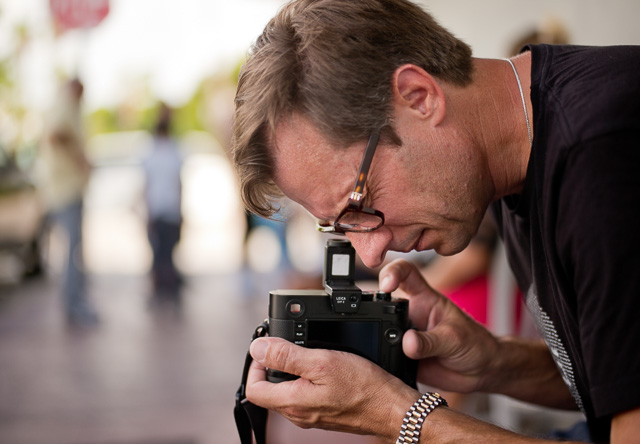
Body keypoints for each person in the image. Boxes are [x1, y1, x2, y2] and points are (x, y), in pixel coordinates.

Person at [230, 0, 640, 442]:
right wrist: (493, 362)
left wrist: (403, 418)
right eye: (341, 226)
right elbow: (612, 388)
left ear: (419, 97)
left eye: (359, 202)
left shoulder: (605, 155)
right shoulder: (512, 156)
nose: (371, 251)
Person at [36, 77, 98, 326]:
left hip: (65, 189)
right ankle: (74, 306)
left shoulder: (62, 105)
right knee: (72, 253)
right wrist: (79, 158)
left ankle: (76, 303)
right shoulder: (64, 105)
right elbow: (56, 135)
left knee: (73, 251)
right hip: (65, 191)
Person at [142, 104, 183, 296]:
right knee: (166, 253)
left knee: (160, 253)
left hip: (159, 209)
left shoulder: (152, 153)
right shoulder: (173, 152)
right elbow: (178, 183)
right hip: (170, 209)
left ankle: (163, 288)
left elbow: (147, 185)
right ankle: (168, 288)